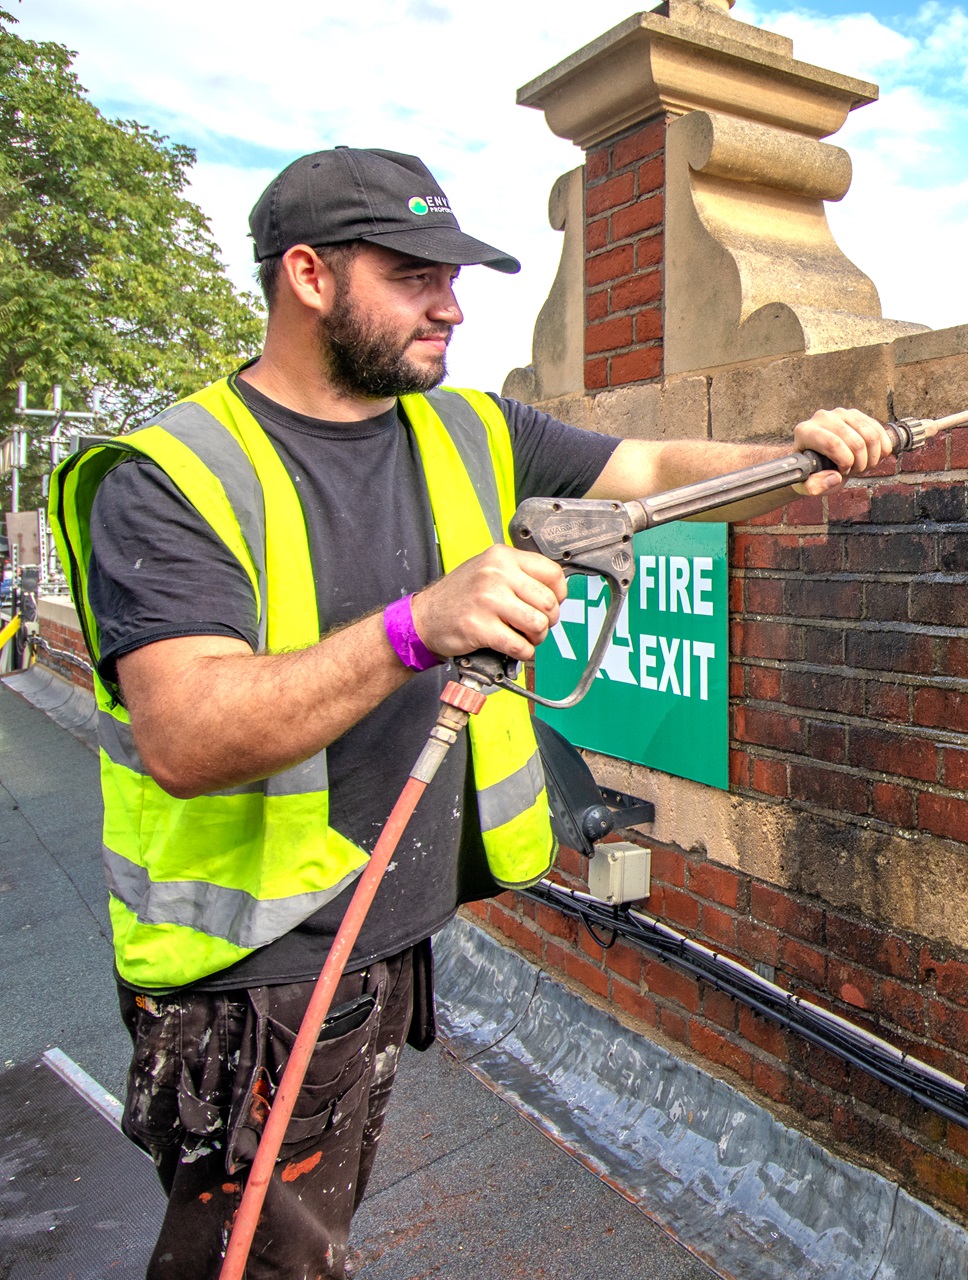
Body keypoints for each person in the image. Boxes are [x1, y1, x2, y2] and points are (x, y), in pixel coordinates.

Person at [49, 147, 895, 1280]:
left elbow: (643, 463)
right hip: (251, 973)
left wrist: (791, 461)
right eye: (413, 275)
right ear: (307, 275)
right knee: (257, 1261)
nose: (450, 303)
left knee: (301, 1241)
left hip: (375, 941)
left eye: (455, 277)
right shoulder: (171, 474)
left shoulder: (465, 427)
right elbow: (188, 732)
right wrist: (418, 625)